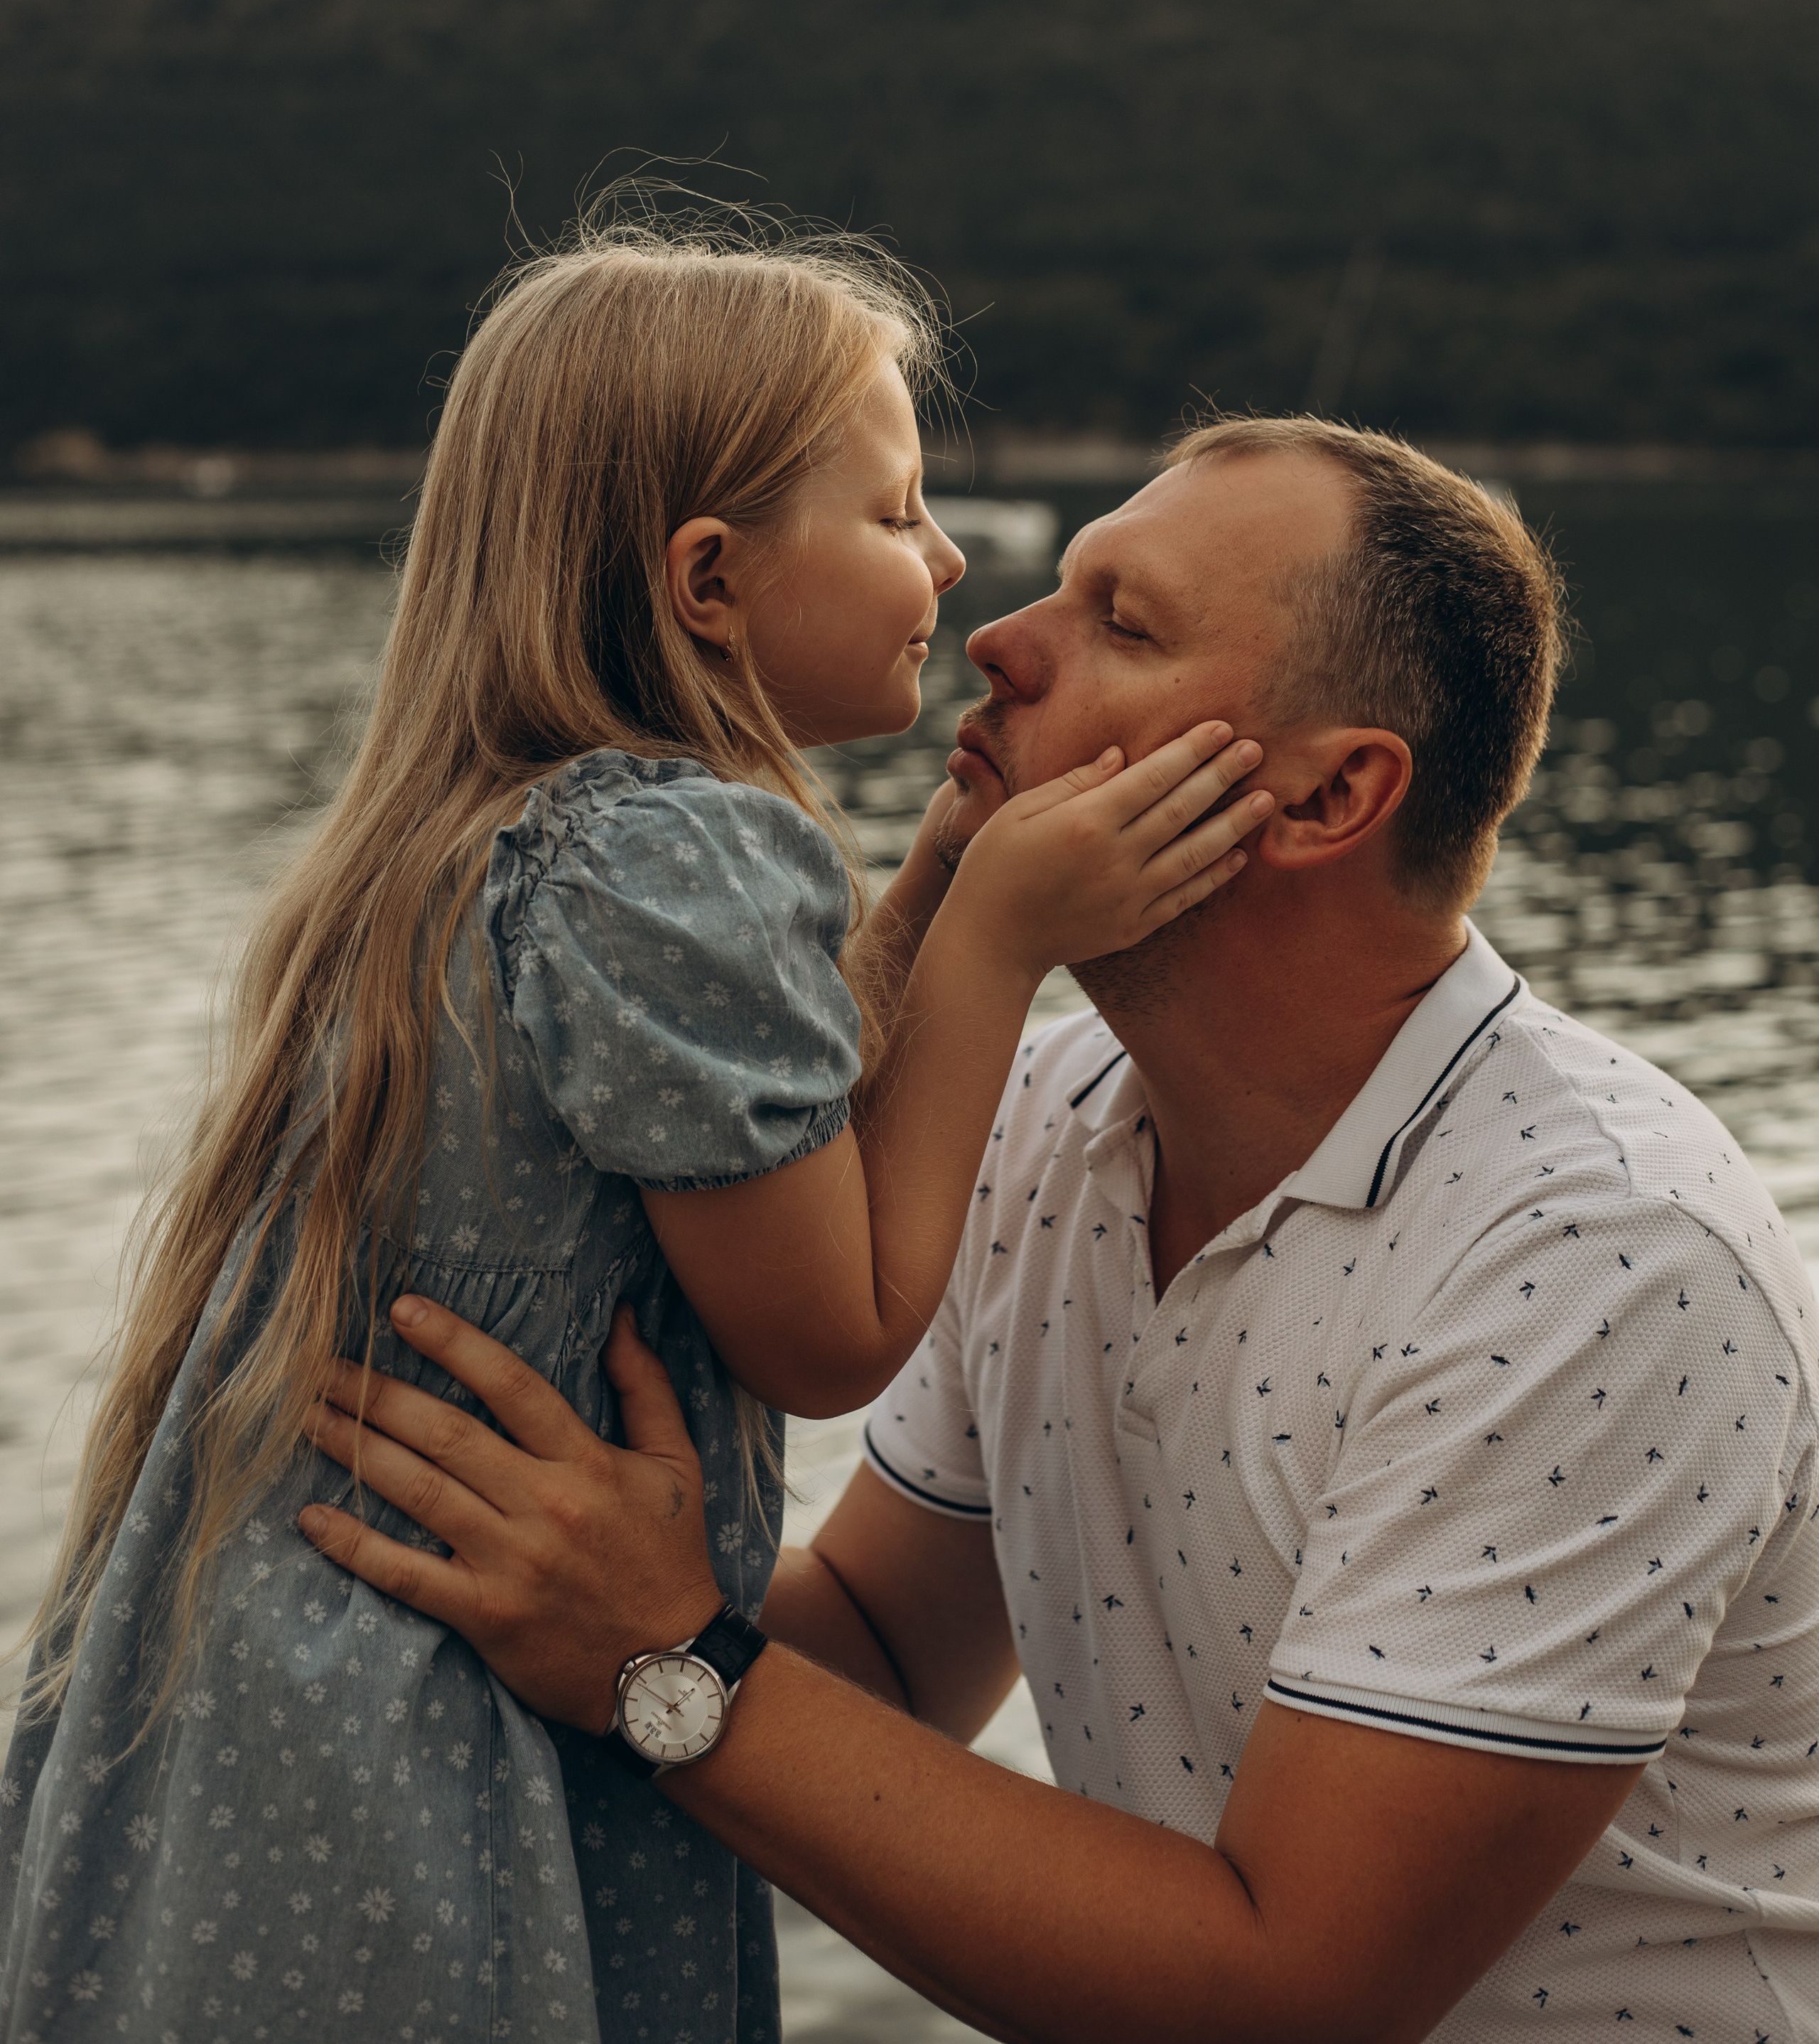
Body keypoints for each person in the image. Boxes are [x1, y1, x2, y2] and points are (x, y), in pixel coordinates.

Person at [288, 417, 1818, 2043]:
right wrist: (518, 1568)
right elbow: (886, 1647)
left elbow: (1284, 1998)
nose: (999, 640)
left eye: (1122, 623)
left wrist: (663, 1666)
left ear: (1324, 794)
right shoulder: (1040, 1115)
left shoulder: (1594, 1255)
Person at [0, 220, 1267, 2044]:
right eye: (897, 510)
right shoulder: (674, 857)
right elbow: (827, 1329)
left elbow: (772, 1117)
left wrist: (922, 896)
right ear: (705, 577)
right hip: (437, 1752)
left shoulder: (494, 840)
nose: (947, 562)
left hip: (272, 1708)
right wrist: (1004, 934)